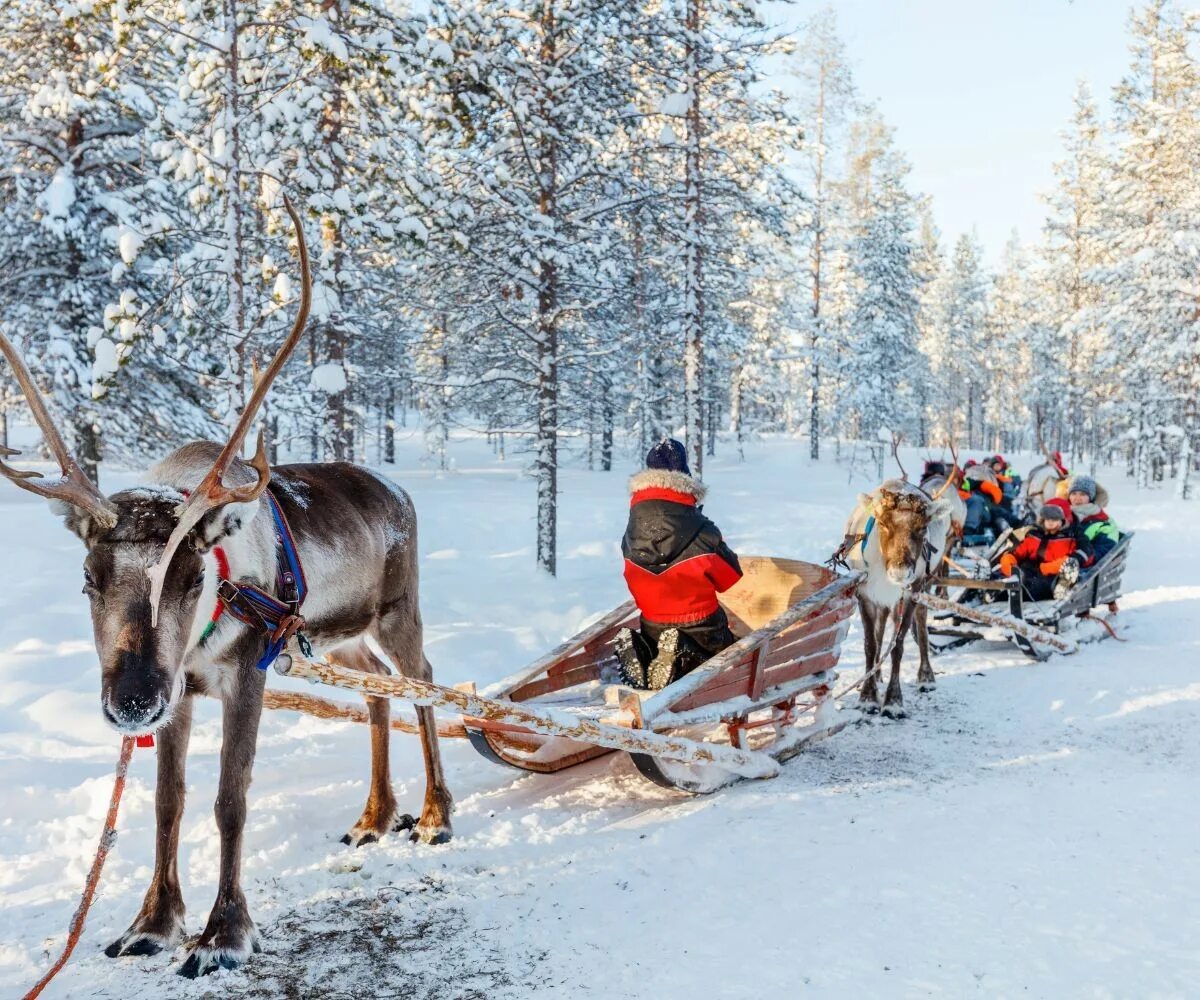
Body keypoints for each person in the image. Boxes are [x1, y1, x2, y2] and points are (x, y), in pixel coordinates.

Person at [616, 439, 743, 690]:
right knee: (725, 656)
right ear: (685, 480)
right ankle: (681, 653)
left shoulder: (632, 533)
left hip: (652, 624)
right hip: (703, 627)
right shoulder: (703, 531)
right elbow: (730, 578)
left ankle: (646, 653)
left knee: (660, 640)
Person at [996, 497, 1092, 601]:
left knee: (1038, 588)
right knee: (1016, 575)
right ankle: (996, 590)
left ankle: (1061, 588)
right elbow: (1019, 551)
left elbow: (1085, 554)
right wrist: (1009, 560)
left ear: (1063, 519)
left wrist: (1056, 565)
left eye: (1054, 519)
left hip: (1053, 572)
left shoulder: (1071, 536)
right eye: (1048, 519)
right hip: (1030, 569)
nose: (1050, 522)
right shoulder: (1034, 533)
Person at [1066, 474, 1120, 562]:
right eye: (1074, 493)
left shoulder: (1104, 522)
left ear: (1091, 497)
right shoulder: (1061, 514)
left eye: (1082, 494)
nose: (1077, 498)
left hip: (1083, 566)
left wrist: (1082, 558)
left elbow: (1105, 549)